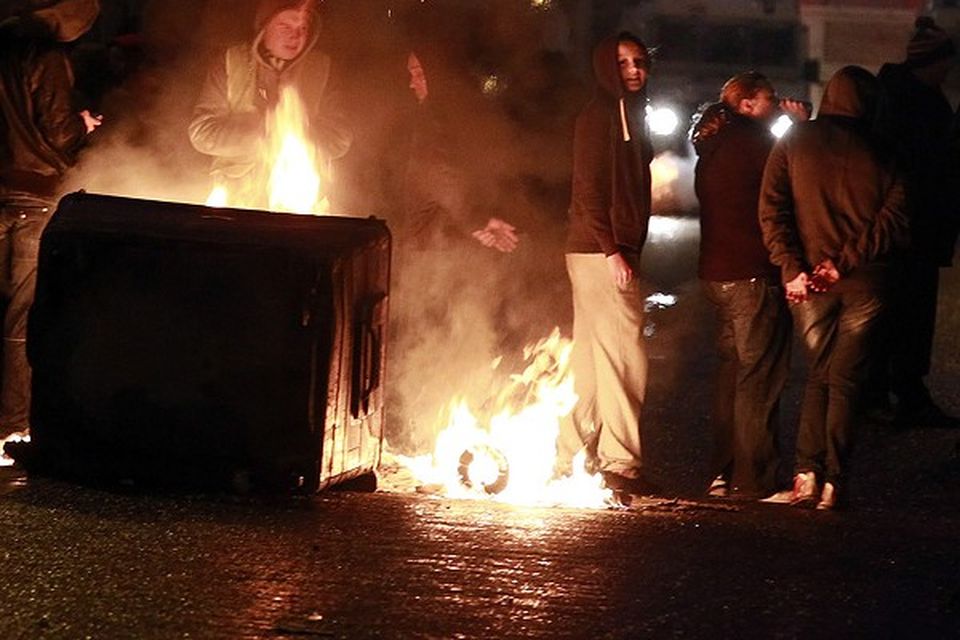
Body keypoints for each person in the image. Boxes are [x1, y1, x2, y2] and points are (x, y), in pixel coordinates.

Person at [759, 66, 910, 510]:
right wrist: (841, 263)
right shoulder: (887, 152)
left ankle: (806, 474)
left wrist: (793, 266)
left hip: (808, 283)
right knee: (844, 379)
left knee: (819, 375)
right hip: (865, 280)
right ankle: (834, 483)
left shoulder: (795, 141)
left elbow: (772, 209)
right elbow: (893, 220)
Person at [691, 72, 808, 500]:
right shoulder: (756, 144)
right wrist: (799, 128)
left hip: (716, 274)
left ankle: (722, 473)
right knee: (759, 377)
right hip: (752, 275)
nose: (777, 105)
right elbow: (795, 182)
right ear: (745, 105)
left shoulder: (714, 143)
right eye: (769, 100)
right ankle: (755, 479)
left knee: (732, 375)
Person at [556, 32, 658, 498]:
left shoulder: (632, 114)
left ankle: (565, 454)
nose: (634, 69)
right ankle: (621, 461)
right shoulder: (598, 115)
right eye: (623, 63)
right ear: (605, 67)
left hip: (601, 251)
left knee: (594, 363)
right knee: (624, 357)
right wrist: (613, 249)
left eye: (639, 61)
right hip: (602, 253)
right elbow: (588, 190)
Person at [0, 0, 102, 441]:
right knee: (22, 320)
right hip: (32, 196)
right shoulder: (44, 55)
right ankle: (12, 426)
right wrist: (84, 125)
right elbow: (59, 133)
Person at [875, 16, 960, 429]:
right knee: (907, 313)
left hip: (916, 228)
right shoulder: (916, 104)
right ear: (934, 62)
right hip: (914, 228)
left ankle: (889, 392)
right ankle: (905, 392)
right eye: (946, 62)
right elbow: (930, 168)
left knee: (900, 313)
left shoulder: (905, 96)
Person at [188, 0, 351, 209]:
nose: (296, 36)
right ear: (263, 28)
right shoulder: (231, 62)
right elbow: (201, 132)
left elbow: (340, 137)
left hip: (300, 202)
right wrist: (261, 138)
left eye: (303, 28)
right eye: (285, 26)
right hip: (237, 200)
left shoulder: (321, 68)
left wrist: (296, 140)